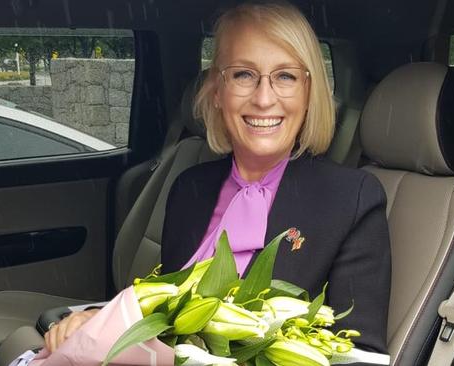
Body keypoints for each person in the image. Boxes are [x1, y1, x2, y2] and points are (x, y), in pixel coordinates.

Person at [45, 0, 391, 356]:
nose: (263, 98)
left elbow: (358, 356)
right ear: (217, 92)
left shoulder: (352, 198)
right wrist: (100, 321)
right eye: (243, 74)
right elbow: (170, 314)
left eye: (285, 76)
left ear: (309, 93)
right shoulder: (189, 188)